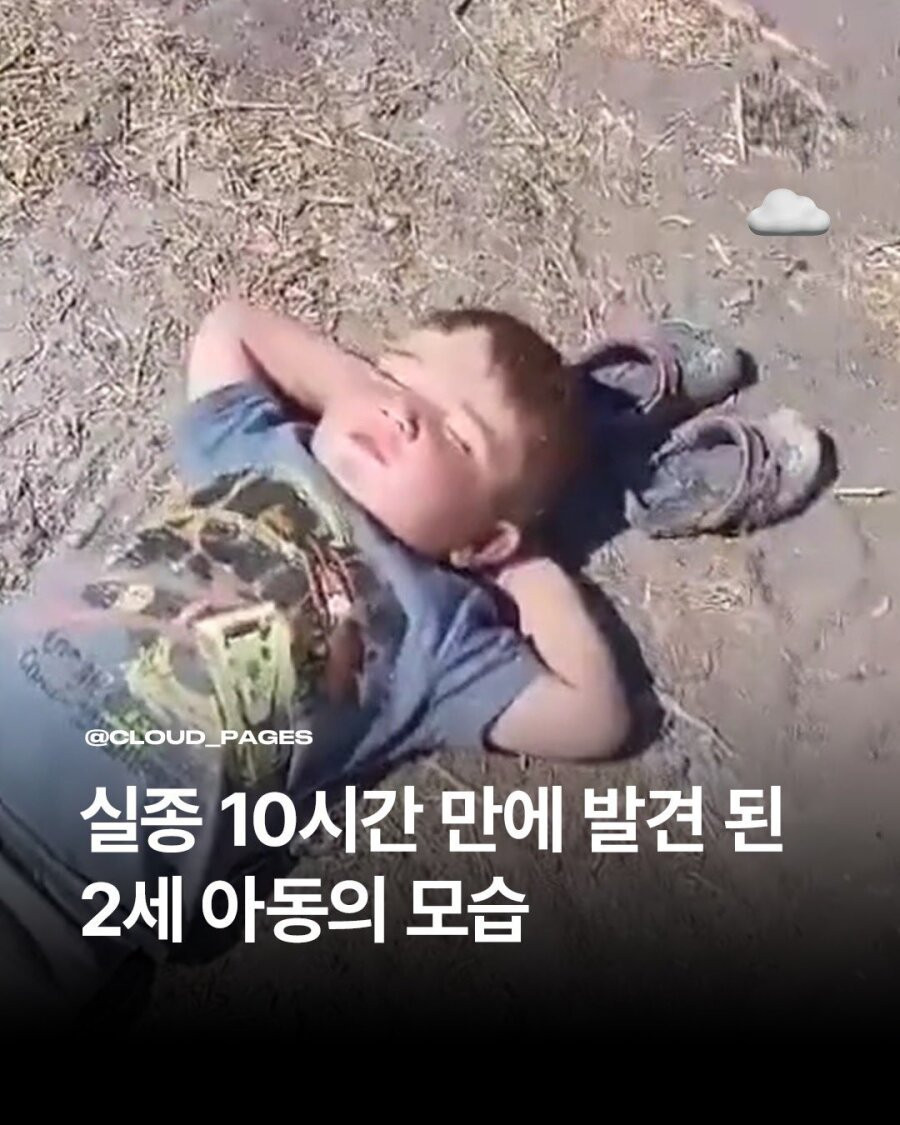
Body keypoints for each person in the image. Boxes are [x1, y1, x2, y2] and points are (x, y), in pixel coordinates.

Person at [0, 298, 633, 1028]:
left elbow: (595, 717)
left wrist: (524, 569)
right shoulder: (259, 448)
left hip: (59, 897)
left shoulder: (438, 632)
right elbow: (231, 327)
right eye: (397, 380)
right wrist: (354, 390)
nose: (405, 414)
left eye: (458, 437)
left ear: (485, 541)